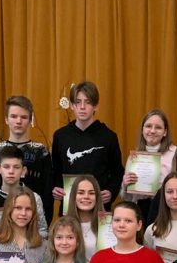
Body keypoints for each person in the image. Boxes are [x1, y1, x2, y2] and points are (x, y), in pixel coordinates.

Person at [51, 81, 125, 210]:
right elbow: (56, 170)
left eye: (88, 102)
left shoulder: (108, 137)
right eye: (78, 102)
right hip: (70, 208)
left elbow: (117, 171)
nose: (82, 107)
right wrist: (56, 187)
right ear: (72, 106)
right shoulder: (60, 136)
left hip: (99, 209)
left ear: (96, 106)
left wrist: (111, 191)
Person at [0, 95, 53, 215]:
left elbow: (47, 192)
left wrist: (44, 219)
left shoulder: (41, 152)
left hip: (31, 215)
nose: (18, 121)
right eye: (14, 116)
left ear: (30, 120)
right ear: (6, 119)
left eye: (24, 117)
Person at [0, 145, 48, 240]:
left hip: (25, 248)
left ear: (23, 171)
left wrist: (23, 238)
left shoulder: (34, 198)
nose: (11, 171)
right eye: (6, 167)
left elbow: (43, 231)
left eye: (16, 167)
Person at [121, 108, 177, 223]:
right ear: (142, 129)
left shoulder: (175, 154)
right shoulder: (134, 157)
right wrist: (126, 185)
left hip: (165, 210)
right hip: (140, 210)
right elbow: (126, 198)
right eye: (148, 126)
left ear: (165, 132)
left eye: (158, 127)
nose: (152, 131)